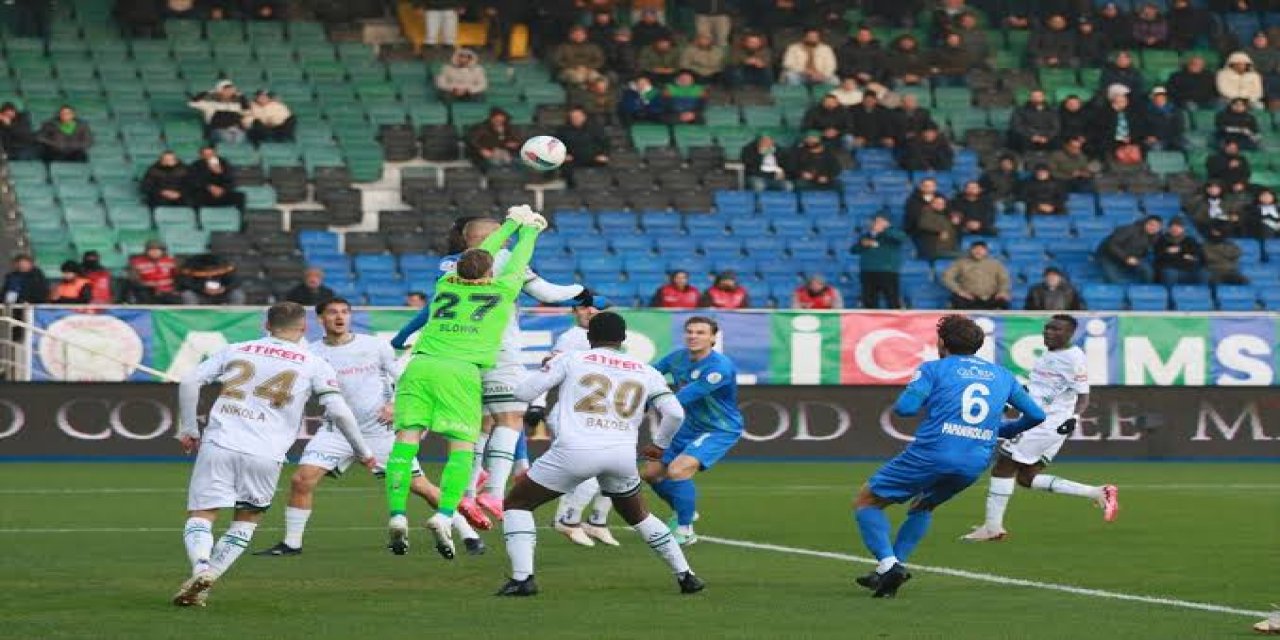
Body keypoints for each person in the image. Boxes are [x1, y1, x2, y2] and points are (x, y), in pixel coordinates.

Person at [389, 213, 591, 532]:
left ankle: (462, 494)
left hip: (446, 359)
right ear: (493, 240)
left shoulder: (450, 268)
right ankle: (495, 492)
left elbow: (429, 310)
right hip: (494, 350)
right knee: (509, 418)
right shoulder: (506, 268)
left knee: (477, 426)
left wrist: (402, 336)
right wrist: (581, 288)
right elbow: (550, 294)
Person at [171, 302, 374, 607]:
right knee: (246, 520)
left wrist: (189, 428)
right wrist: (362, 450)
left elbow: (189, 381)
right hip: (266, 453)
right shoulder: (313, 362)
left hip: (220, 443)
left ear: (267, 325)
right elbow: (339, 411)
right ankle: (210, 575)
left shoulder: (237, 348)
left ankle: (200, 566)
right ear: (303, 327)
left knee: (203, 514)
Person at [253, 298, 485, 558]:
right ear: (320, 319)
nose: (339, 317)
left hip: (379, 431)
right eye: (332, 312)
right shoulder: (313, 354)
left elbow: (404, 378)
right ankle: (291, 544)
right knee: (301, 480)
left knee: (422, 487)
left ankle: (468, 535)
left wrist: (395, 404)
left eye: (344, 312)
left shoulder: (374, 346)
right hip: (336, 432)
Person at [499, 312, 702, 596]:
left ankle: (523, 579)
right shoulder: (646, 370)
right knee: (639, 515)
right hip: (620, 455)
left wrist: (546, 369)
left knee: (517, 504)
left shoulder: (572, 358)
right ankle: (686, 575)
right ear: (623, 339)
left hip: (575, 451)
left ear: (589, 337)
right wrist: (660, 445)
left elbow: (523, 393)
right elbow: (675, 413)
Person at [853, 315, 1046, 598]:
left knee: (867, 501)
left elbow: (905, 409)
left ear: (942, 342)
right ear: (978, 345)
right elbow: (1037, 415)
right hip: (975, 459)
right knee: (923, 506)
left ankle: (889, 563)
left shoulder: (934, 369)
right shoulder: (1002, 375)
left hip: (933, 452)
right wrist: (999, 430)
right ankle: (888, 572)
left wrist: (922, 395)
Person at [962, 315, 1118, 543]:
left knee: (1003, 465)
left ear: (1070, 334)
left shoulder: (1073, 359)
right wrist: (1010, 401)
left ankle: (992, 528)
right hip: (1048, 423)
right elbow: (1038, 388)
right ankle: (1097, 492)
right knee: (1027, 478)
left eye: (1056, 329)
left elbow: (1083, 395)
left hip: (1046, 424)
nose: (1048, 332)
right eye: (1047, 328)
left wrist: (1074, 417)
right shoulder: (1049, 354)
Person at [643, 316, 744, 546]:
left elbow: (684, 398)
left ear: (712, 338)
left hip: (719, 429)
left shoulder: (719, 367)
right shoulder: (678, 357)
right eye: (690, 331)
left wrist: (649, 402)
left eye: (700, 332)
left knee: (678, 471)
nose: (693, 336)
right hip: (688, 426)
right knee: (650, 474)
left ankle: (685, 530)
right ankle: (683, 511)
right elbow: (649, 373)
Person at [543, 299, 623, 549]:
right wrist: (537, 403)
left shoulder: (607, 339)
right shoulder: (573, 337)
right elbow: (549, 370)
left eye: (595, 309)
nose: (589, 312)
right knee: (589, 470)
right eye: (583, 308)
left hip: (597, 417)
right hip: (572, 416)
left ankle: (597, 522)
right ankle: (567, 519)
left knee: (619, 471)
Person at [852, 214, 906, 309]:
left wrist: (886, 229)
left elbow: (901, 238)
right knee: (869, 301)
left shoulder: (892, 234)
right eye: (876, 221)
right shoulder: (865, 236)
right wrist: (862, 244)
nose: (877, 224)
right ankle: (871, 322)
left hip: (888, 271)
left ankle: (896, 322)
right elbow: (853, 250)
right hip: (868, 271)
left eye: (881, 222)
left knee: (892, 300)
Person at [942, 242, 1012, 310]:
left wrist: (1002, 291)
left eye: (981, 249)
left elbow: (1004, 279)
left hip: (990, 297)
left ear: (986, 251)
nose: (978, 251)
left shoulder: (996, 264)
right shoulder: (961, 263)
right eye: (975, 249)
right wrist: (959, 291)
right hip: (968, 298)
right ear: (970, 250)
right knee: (957, 300)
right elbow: (947, 277)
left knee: (1003, 301)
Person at [1097, 216, 1162, 284]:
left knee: (1148, 271)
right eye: (1151, 224)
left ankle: (1145, 291)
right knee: (1114, 280)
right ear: (1145, 223)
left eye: (1157, 227)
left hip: (1131, 258)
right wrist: (1126, 257)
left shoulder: (1156, 236)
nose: (1153, 228)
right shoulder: (1130, 229)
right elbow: (1111, 244)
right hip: (1109, 257)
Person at [188, 80, 249, 145]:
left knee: (241, 137)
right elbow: (192, 103)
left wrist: (241, 95)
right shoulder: (209, 104)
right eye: (226, 90)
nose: (229, 92)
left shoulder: (236, 105)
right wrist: (209, 92)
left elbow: (246, 110)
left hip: (236, 130)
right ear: (219, 91)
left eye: (231, 90)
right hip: (217, 130)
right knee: (228, 138)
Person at [179, 252, 245, 305]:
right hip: (200, 294)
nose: (210, 271)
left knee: (237, 294)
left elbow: (236, 281)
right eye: (207, 269)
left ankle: (232, 318)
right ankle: (192, 319)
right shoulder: (190, 269)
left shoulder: (225, 268)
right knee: (187, 295)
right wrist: (202, 289)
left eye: (212, 268)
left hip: (221, 294)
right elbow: (185, 283)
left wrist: (224, 289)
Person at [1154, 217, 1204, 285]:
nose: (1175, 229)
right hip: (1170, 269)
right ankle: (1169, 294)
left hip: (1188, 269)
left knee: (1203, 274)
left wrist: (1175, 253)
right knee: (1170, 273)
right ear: (1169, 228)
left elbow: (1196, 256)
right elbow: (1160, 257)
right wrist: (1183, 255)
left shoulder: (1190, 240)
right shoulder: (1161, 240)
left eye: (1178, 227)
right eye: (1173, 227)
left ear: (1183, 228)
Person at [914, 195, 961, 260]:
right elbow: (923, 224)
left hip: (948, 248)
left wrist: (956, 223)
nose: (939, 205)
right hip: (934, 250)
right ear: (931, 204)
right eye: (937, 203)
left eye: (942, 204)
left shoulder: (946, 215)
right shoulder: (926, 214)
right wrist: (940, 230)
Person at [1144, 86, 1184, 151]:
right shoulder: (1146, 111)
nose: (1160, 99)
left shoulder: (1175, 110)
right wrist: (1149, 136)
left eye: (1162, 96)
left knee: (1187, 147)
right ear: (1152, 98)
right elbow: (1145, 128)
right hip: (1157, 139)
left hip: (1174, 138)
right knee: (1155, 148)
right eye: (1157, 96)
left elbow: (1179, 127)